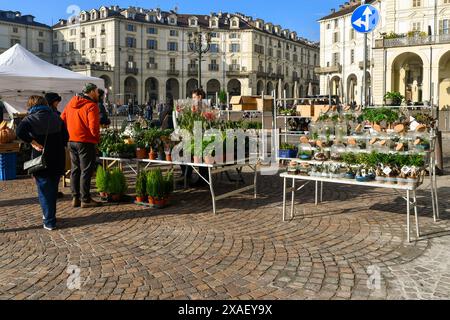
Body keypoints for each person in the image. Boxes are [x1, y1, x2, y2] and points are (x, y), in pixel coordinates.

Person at [16, 96, 69, 231]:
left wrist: (33, 142)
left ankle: (49, 220)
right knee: (51, 189)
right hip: (58, 159)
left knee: (45, 190)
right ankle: (49, 215)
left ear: (31, 105)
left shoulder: (29, 119)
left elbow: (19, 132)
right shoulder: (57, 117)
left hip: (42, 159)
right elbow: (65, 138)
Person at [61, 83, 101, 208]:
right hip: (85, 141)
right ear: (91, 92)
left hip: (71, 141)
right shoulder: (91, 106)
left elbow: (61, 119)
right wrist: (97, 139)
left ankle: (75, 197)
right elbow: (93, 127)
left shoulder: (70, 103)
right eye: (97, 91)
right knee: (86, 170)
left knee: (75, 169)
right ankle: (85, 199)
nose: (98, 94)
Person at [45, 92, 67, 199]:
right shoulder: (56, 115)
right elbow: (64, 133)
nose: (58, 103)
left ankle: (51, 190)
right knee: (55, 171)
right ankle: (53, 190)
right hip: (56, 147)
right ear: (53, 102)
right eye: (57, 101)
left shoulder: (40, 114)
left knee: (48, 172)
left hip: (44, 147)